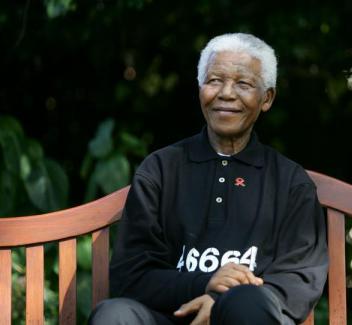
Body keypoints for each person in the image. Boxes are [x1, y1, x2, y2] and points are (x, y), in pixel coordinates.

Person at [88, 33, 328, 325]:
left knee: (249, 301)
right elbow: (131, 275)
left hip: (246, 316)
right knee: (114, 315)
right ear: (200, 88)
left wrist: (220, 301)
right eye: (214, 80)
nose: (226, 93)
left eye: (243, 83)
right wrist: (204, 283)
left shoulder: (290, 183)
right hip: (169, 316)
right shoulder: (162, 169)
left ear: (266, 98)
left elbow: (300, 279)